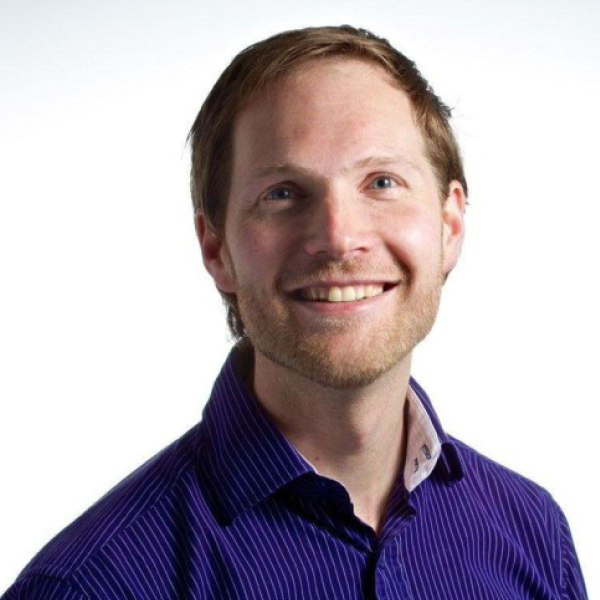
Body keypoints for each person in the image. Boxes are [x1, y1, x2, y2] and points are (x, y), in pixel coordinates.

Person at [2, 25, 588, 600]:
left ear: (450, 225)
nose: (338, 238)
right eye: (282, 193)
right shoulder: (88, 586)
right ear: (217, 249)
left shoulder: (535, 534)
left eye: (382, 182)